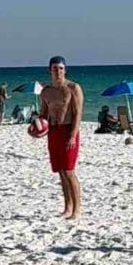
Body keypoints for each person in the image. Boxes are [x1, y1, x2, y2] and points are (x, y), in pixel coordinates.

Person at [39, 56, 83, 219]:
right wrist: (36, 126)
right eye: (55, 68)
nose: (58, 71)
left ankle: (77, 208)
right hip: (53, 131)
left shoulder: (73, 88)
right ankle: (68, 206)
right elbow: (43, 114)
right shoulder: (46, 91)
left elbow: (78, 113)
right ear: (49, 70)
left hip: (68, 130)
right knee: (61, 172)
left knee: (70, 170)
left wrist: (73, 135)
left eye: (61, 68)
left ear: (65, 70)